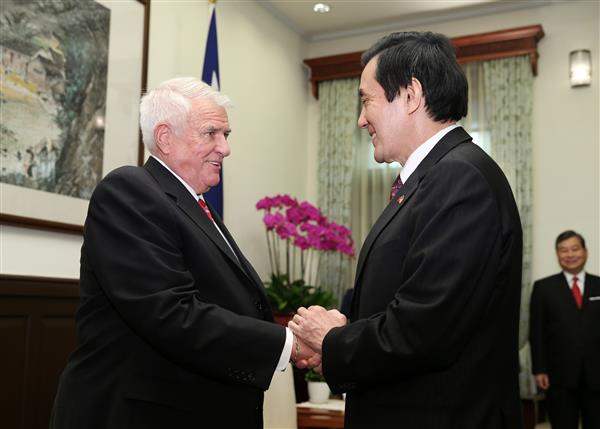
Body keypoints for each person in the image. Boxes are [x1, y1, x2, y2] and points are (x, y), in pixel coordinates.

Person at [289, 31, 524, 429]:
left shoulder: (459, 179)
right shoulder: (434, 177)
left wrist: (333, 341)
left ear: (411, 96)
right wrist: (344, 336)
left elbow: (424, 330)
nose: (361, 119)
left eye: (367, 100)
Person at [50, 77, 315, 429]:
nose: (225, 148)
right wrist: (290, 344)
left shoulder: (195, 205)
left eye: (226, 134)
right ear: (165, 137)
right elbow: (170, 313)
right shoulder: (129, 191)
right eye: (211, 133)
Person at [530, 230, 600, 429]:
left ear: (585, 252)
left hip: (597, 375)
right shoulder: (543, 288)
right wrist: (539, 369)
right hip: (558, 376)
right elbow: (537, 332)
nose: (570, 254)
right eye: (563, 250)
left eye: (575, 249)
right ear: (557, 254)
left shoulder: (599, 284)